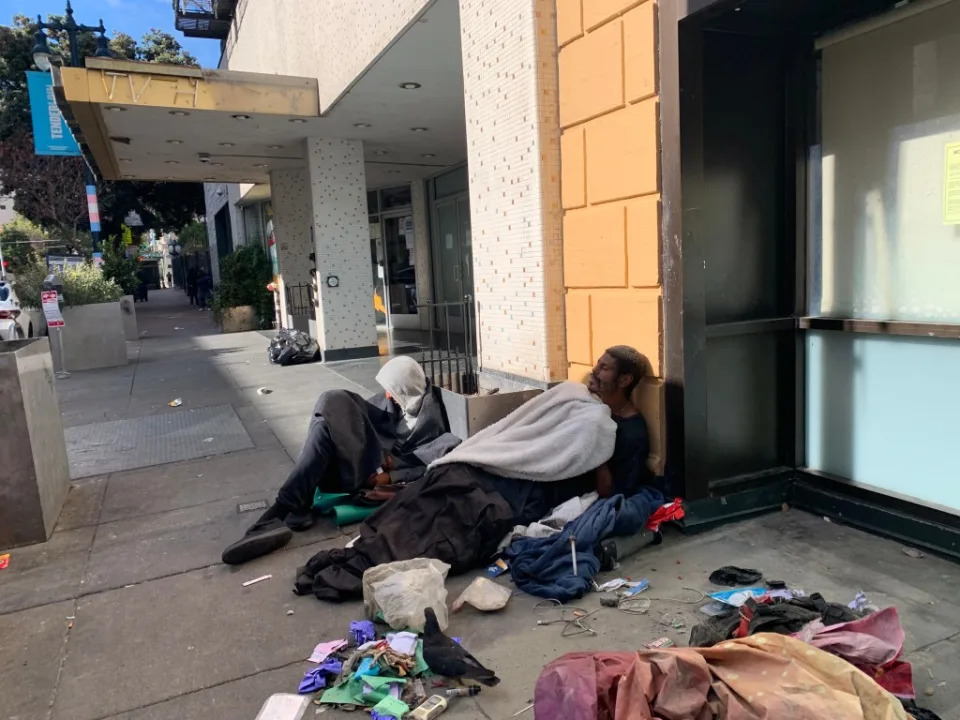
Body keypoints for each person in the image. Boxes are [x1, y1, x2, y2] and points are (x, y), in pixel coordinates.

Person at [221, 355, 456, 565]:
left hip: (367, 475)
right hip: (362, 457)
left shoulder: (430, 422)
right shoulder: (389, 401)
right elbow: (359, 423)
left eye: (391, 390)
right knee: (328, 417)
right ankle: (294, 508)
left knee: (332, 405)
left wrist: (391, 475)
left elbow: (431, 461)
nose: (385, 394)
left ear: (403, 390)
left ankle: (278, 513)